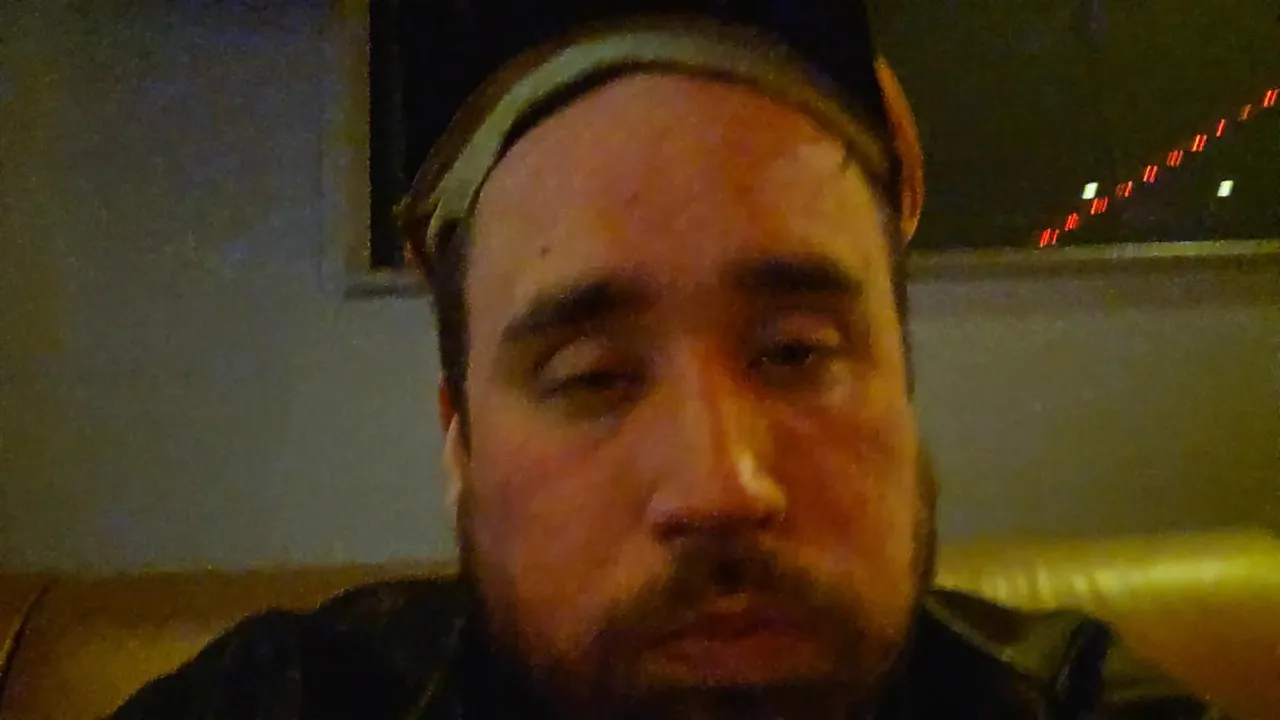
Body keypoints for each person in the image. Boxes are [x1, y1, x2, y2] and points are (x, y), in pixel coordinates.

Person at [109, 2, 1226, 719]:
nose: (720, 486)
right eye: (593, 376)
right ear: (458, 441)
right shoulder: (290, 701)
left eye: (795, 353)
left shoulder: (1074, 703)